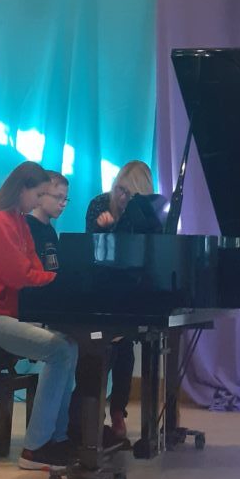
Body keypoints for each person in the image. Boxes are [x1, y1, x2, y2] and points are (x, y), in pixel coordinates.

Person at [0, 161, 78, 473]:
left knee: (70, 346)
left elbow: (35, 267)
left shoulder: (18, 221)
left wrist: (52, 278)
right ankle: (35, 449)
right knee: (59, 350)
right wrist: (58, 280)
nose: (39, 201)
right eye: (38, 194)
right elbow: (19, 275)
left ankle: (59, 439)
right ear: (22, 189)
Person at [80, 160, 155, 438]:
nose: (122, 197)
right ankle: (92, 413)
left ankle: (118, 411)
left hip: (132, 288)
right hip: (100, 287)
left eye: (130, 193)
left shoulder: (146, 212)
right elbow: (92, 252)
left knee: (125, 348)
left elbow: (149, 253)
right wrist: (107, 231)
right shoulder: (100, 204)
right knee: (104, 346)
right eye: (120, 189)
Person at [25, 171, 69, 273]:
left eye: (65, 199)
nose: (63, 204)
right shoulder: (25, 228)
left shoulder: (50, 231)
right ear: (39, 195)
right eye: (58, 197)